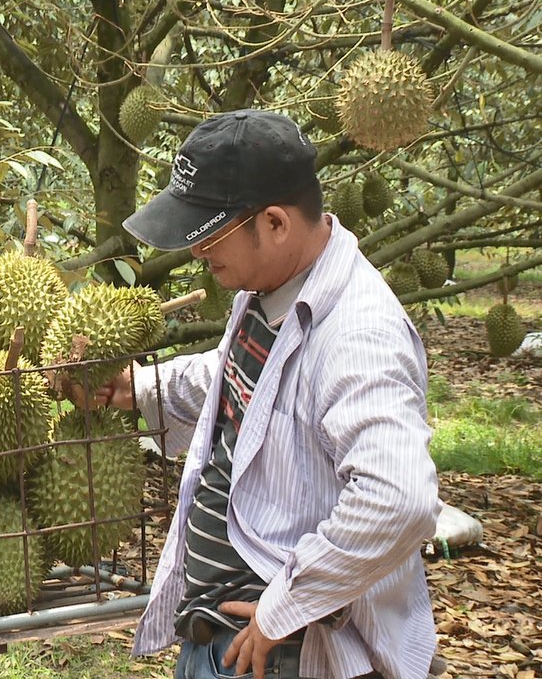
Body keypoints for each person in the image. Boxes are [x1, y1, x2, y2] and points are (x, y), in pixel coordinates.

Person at [95, 109, 440, 679]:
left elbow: (399, 498)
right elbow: (246, 385)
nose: (197, 251)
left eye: (209, 233)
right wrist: (140, 388)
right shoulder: (269, 292)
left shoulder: (360, 335)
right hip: (223, 637)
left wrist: (286, 607)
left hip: (283, 655)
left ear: (275, 224)